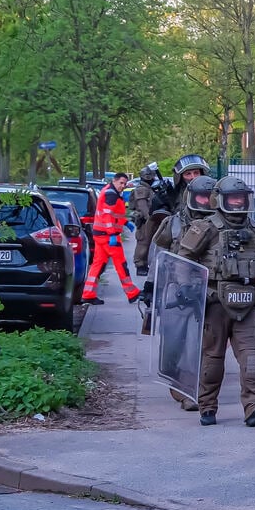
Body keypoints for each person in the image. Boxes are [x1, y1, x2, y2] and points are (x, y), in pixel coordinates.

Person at [177, 175, 255, 427]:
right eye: (233, 200)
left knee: (251, 358)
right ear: (220, 201)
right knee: (212, 360)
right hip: (214, 303)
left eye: (242, 200)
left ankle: (254, 407)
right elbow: (183, 259)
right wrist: (188, 289)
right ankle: (207, 406)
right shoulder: (205, 228)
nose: (238, 205)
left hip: (247, 304)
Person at [150, 174, 217, 412]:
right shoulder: (174, 223)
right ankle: (175, 381)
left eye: (209, 198)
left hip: (204, 292)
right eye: (200, 197)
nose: (204, 202)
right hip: (174, 292)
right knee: (172, 347)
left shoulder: (220, 224)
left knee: (195, 345)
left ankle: (192, 391)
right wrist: (151, 288)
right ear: (190, 197)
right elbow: (159, 253)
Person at [81, 172, 141, 305]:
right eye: (121, 183)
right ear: (114, 181)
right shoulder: (111, 194)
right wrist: (112, 233)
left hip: (100, 234)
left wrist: (124, 222)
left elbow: (112, 215)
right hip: (108, 236)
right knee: (121, 264)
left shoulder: (109, 191)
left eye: (125, 184)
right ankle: (132, 293)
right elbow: (107, 216)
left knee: (98, 264)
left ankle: (88, 294)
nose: (123, 186)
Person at [129, 166, 157, 276]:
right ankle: (140, 265)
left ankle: (144, 264)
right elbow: (142, 206)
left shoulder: (147, 188)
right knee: (143, 242)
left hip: (148, 219)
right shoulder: (141, 189)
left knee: (148, 242)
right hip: (145, 220)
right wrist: (149, 218)